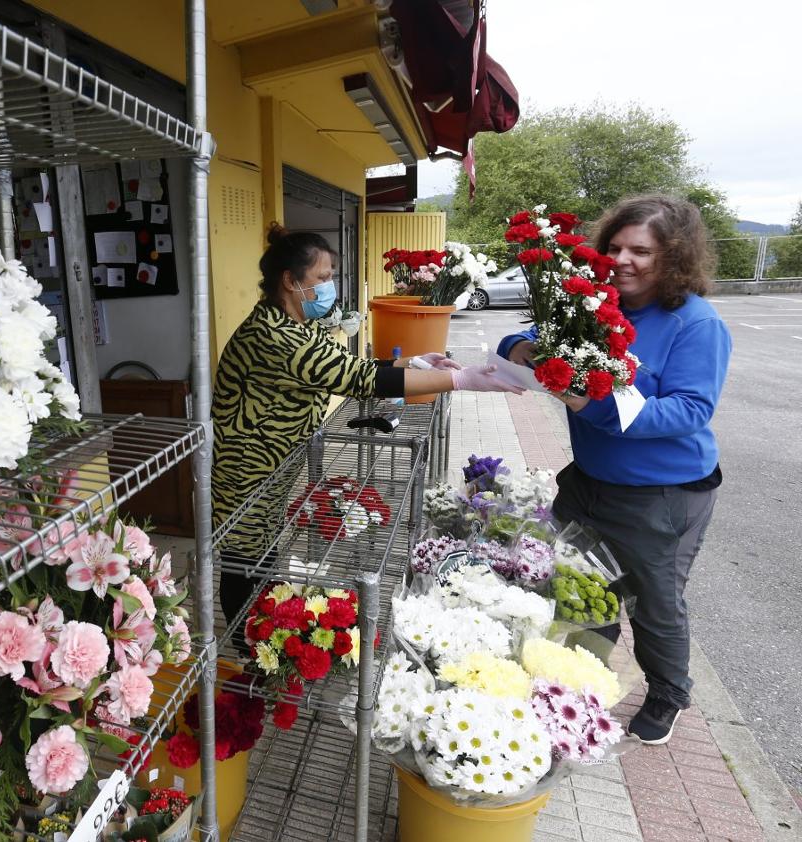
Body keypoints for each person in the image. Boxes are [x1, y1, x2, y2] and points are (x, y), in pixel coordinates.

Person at [498, 194, 732, 745]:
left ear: (674, 257)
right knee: (580, 586)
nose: (623, 260)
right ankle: (585, 682)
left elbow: (690, 409)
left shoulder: (695, 323)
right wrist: (522, 349)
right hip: (589, 483)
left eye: (641, 251)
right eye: (615, 247)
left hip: (662, 494)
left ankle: (668, 692)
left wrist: (593, 405)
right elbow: (528, 339)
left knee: (653, 601)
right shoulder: (596, 307)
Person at [213, 224, 522, 638]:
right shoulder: (273, 335)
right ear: (290, 280)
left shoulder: (298, 325)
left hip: (272, 468)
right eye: (322, 277)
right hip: (246, 473)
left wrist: (412, 363)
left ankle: (264, 633)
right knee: (244, 560)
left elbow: (351, 367)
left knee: (265, 554)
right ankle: (243, 643)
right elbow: (358, 379)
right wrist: (460, 379)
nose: (329, 286)